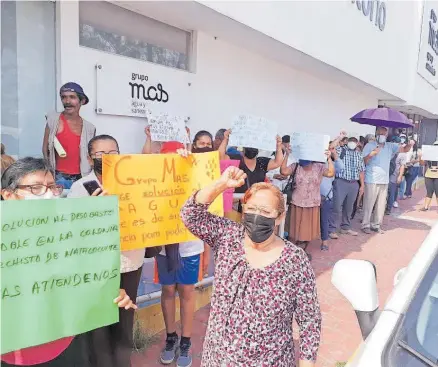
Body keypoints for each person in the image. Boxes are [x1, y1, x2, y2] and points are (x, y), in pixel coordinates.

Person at [180, 166, 321, 367]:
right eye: (252, 209)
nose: (257, 216)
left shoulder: (295, 260)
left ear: (279, 217)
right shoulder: (228, 237)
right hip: (219, 359)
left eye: (265, 211)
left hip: (272, 361)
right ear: (244, 210)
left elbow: (309, 321)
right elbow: (190, 215)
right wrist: (222, 184)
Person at [1, 158, 135, 367]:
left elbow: (84, 280)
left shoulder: (67, 234)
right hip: (18, 356)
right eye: (35, 188)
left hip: (68, 344)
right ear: (8, 195)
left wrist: (111, 292)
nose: (47, 195)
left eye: (52, 187)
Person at [68, 135, 144, 367]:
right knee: (99, 326)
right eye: (100, 154)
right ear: (90, 158)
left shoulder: (135, 183)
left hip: (129, 262)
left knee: (124, 323)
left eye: (113, 152)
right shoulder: (80, 188)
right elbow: (74, 230)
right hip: (96, 269)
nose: (107, 158)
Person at [145, 141, 206, 367]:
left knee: (187, 292)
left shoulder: (193, 180)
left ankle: (186, 341)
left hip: (189, 247)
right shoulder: (154, 182)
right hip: (164, 247)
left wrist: (189, 160)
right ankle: (171, 337)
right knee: (168, 290)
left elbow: (207, 200)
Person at [281, 150, 335, 256]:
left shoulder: (319, 167)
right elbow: (283, 171)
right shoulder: (296, 166)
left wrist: (329, 159)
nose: (304, 166)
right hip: (297, 202)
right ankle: (293, 250)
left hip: (312, 203)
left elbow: (331, 173)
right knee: (294, 229)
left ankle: (303, 250)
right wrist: (287, 155)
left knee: (308, 230)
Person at [42, 82, 96, 189]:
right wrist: (50, 175)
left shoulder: (90, 128)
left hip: (83, 177)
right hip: (58, 177)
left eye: (72, 97)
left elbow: (92, 155)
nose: (67, 101)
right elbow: (45, 149)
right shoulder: (53, 121)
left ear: (82, 101)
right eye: (64, 97)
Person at [361, 126, 414, 234]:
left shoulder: (390, 146)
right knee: (369, 203)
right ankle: (365, 224)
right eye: (380, 133)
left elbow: (404, 149)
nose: (382, 135)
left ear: (387, 135)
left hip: (384, 180)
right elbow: (363, 162)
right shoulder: (369, 145)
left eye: (384, 133)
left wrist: (410, 144)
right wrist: (371, 154)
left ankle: (376, 225)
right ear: (376, 134)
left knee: (381, 205)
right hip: (372, 179)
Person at [219, 130, 284, 194]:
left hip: (256, 202)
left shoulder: (261, 162)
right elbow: (221, 157)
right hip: (239, 201)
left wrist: (278, 146)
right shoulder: (237, 159)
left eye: (254, 146)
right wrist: (225, 139)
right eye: (249, 146)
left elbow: (277, 162)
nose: (251, 148)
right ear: (243, 147)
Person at [329, 136, 365, 238]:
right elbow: (331, 147)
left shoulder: (359, 155)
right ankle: (332, 229)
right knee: (336, 206)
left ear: (357, 143)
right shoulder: (341, 151)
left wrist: (362, 185)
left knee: (349, 207)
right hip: (341, 182)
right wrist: (339, 137)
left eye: (354, 141)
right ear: (347, 142)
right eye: (351, 141)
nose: (352, 143)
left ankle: (345, 227)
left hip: (354, 183)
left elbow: (361, 171)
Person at [320, 144, 344, 250]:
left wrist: (333, 155)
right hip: (311, 197)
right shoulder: (314, 163)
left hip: (326, 197)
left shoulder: (332, 164)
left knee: (325, 220)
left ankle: (324, 242)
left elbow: (341, 167)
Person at [386, 147, 406, 215]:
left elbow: (402, 166)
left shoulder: (401, 154)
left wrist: (400, 176)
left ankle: (388, 209)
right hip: (386, 176)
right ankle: (386, 208)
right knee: (388, 193)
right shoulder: (388, 152)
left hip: (393, 177)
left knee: (391, 193)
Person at [420, 140, 438, 211]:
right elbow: (422, 163)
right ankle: (426, 207)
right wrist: (420, 157)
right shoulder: (429, 154)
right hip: (429, 175)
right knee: (429, 191)